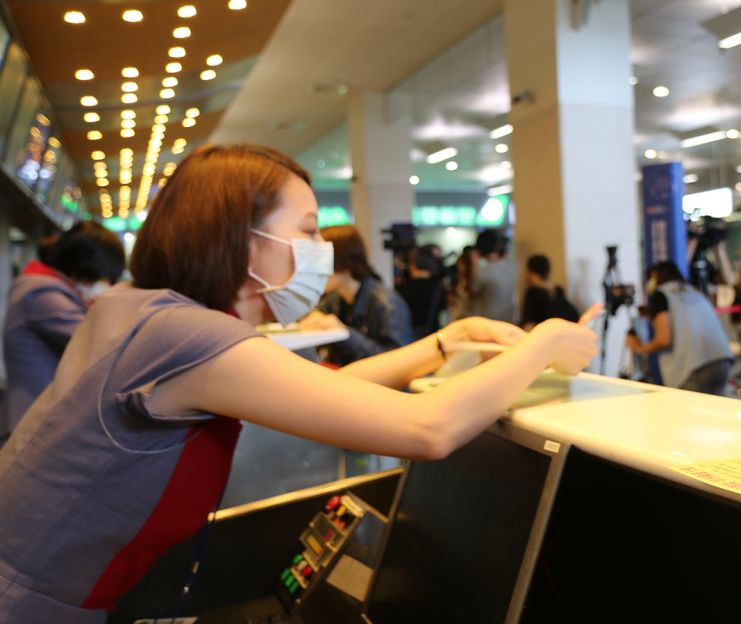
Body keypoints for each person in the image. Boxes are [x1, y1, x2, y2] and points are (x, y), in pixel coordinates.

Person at [0, 144, 600, 621]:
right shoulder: (187, 336)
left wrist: (445, 341)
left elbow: (314, 391)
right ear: (243, 239)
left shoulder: (139, 309)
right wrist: (547, 341)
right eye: (309, 230)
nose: (320, 250)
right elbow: (430, 429)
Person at [2, 221, 124, 438]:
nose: (102, 284)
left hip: (34, 419)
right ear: (82, 267)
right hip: (32, 423)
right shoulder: (43, 294)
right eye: (99, 277)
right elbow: (101, 344)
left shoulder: (41, 288)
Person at [300, 225, 414, 365]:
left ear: (344, 263)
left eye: (321, 263)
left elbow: (401, 363)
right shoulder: (336, 298)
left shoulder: (386, 303)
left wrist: (345, 333)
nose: (315, 272)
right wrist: (315, 316)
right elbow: (316, 313)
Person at [625, 261, 734, 395]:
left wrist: (639, 348)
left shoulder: (661, 294)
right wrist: (650, 312)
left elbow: (663, 339)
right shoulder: (692, 290)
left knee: (685, 414)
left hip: (694, 366)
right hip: (721, 360)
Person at [396, 245, 447, 339]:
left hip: (408, 340)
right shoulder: (439, 289)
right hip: (433, 341)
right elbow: (443, 318)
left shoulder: (402, 289)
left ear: (412, 265)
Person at [520, 254, 578, 331]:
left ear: (531, 271)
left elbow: (529, 324)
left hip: (545, 336)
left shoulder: (533, 292)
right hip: (565, 332)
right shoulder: (558, 289)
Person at [472, 229, 517, 323]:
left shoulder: (483, 272)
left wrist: (473, 265)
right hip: (510, 320)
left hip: (489, 323)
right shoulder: (513, 265)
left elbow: (473, 291)